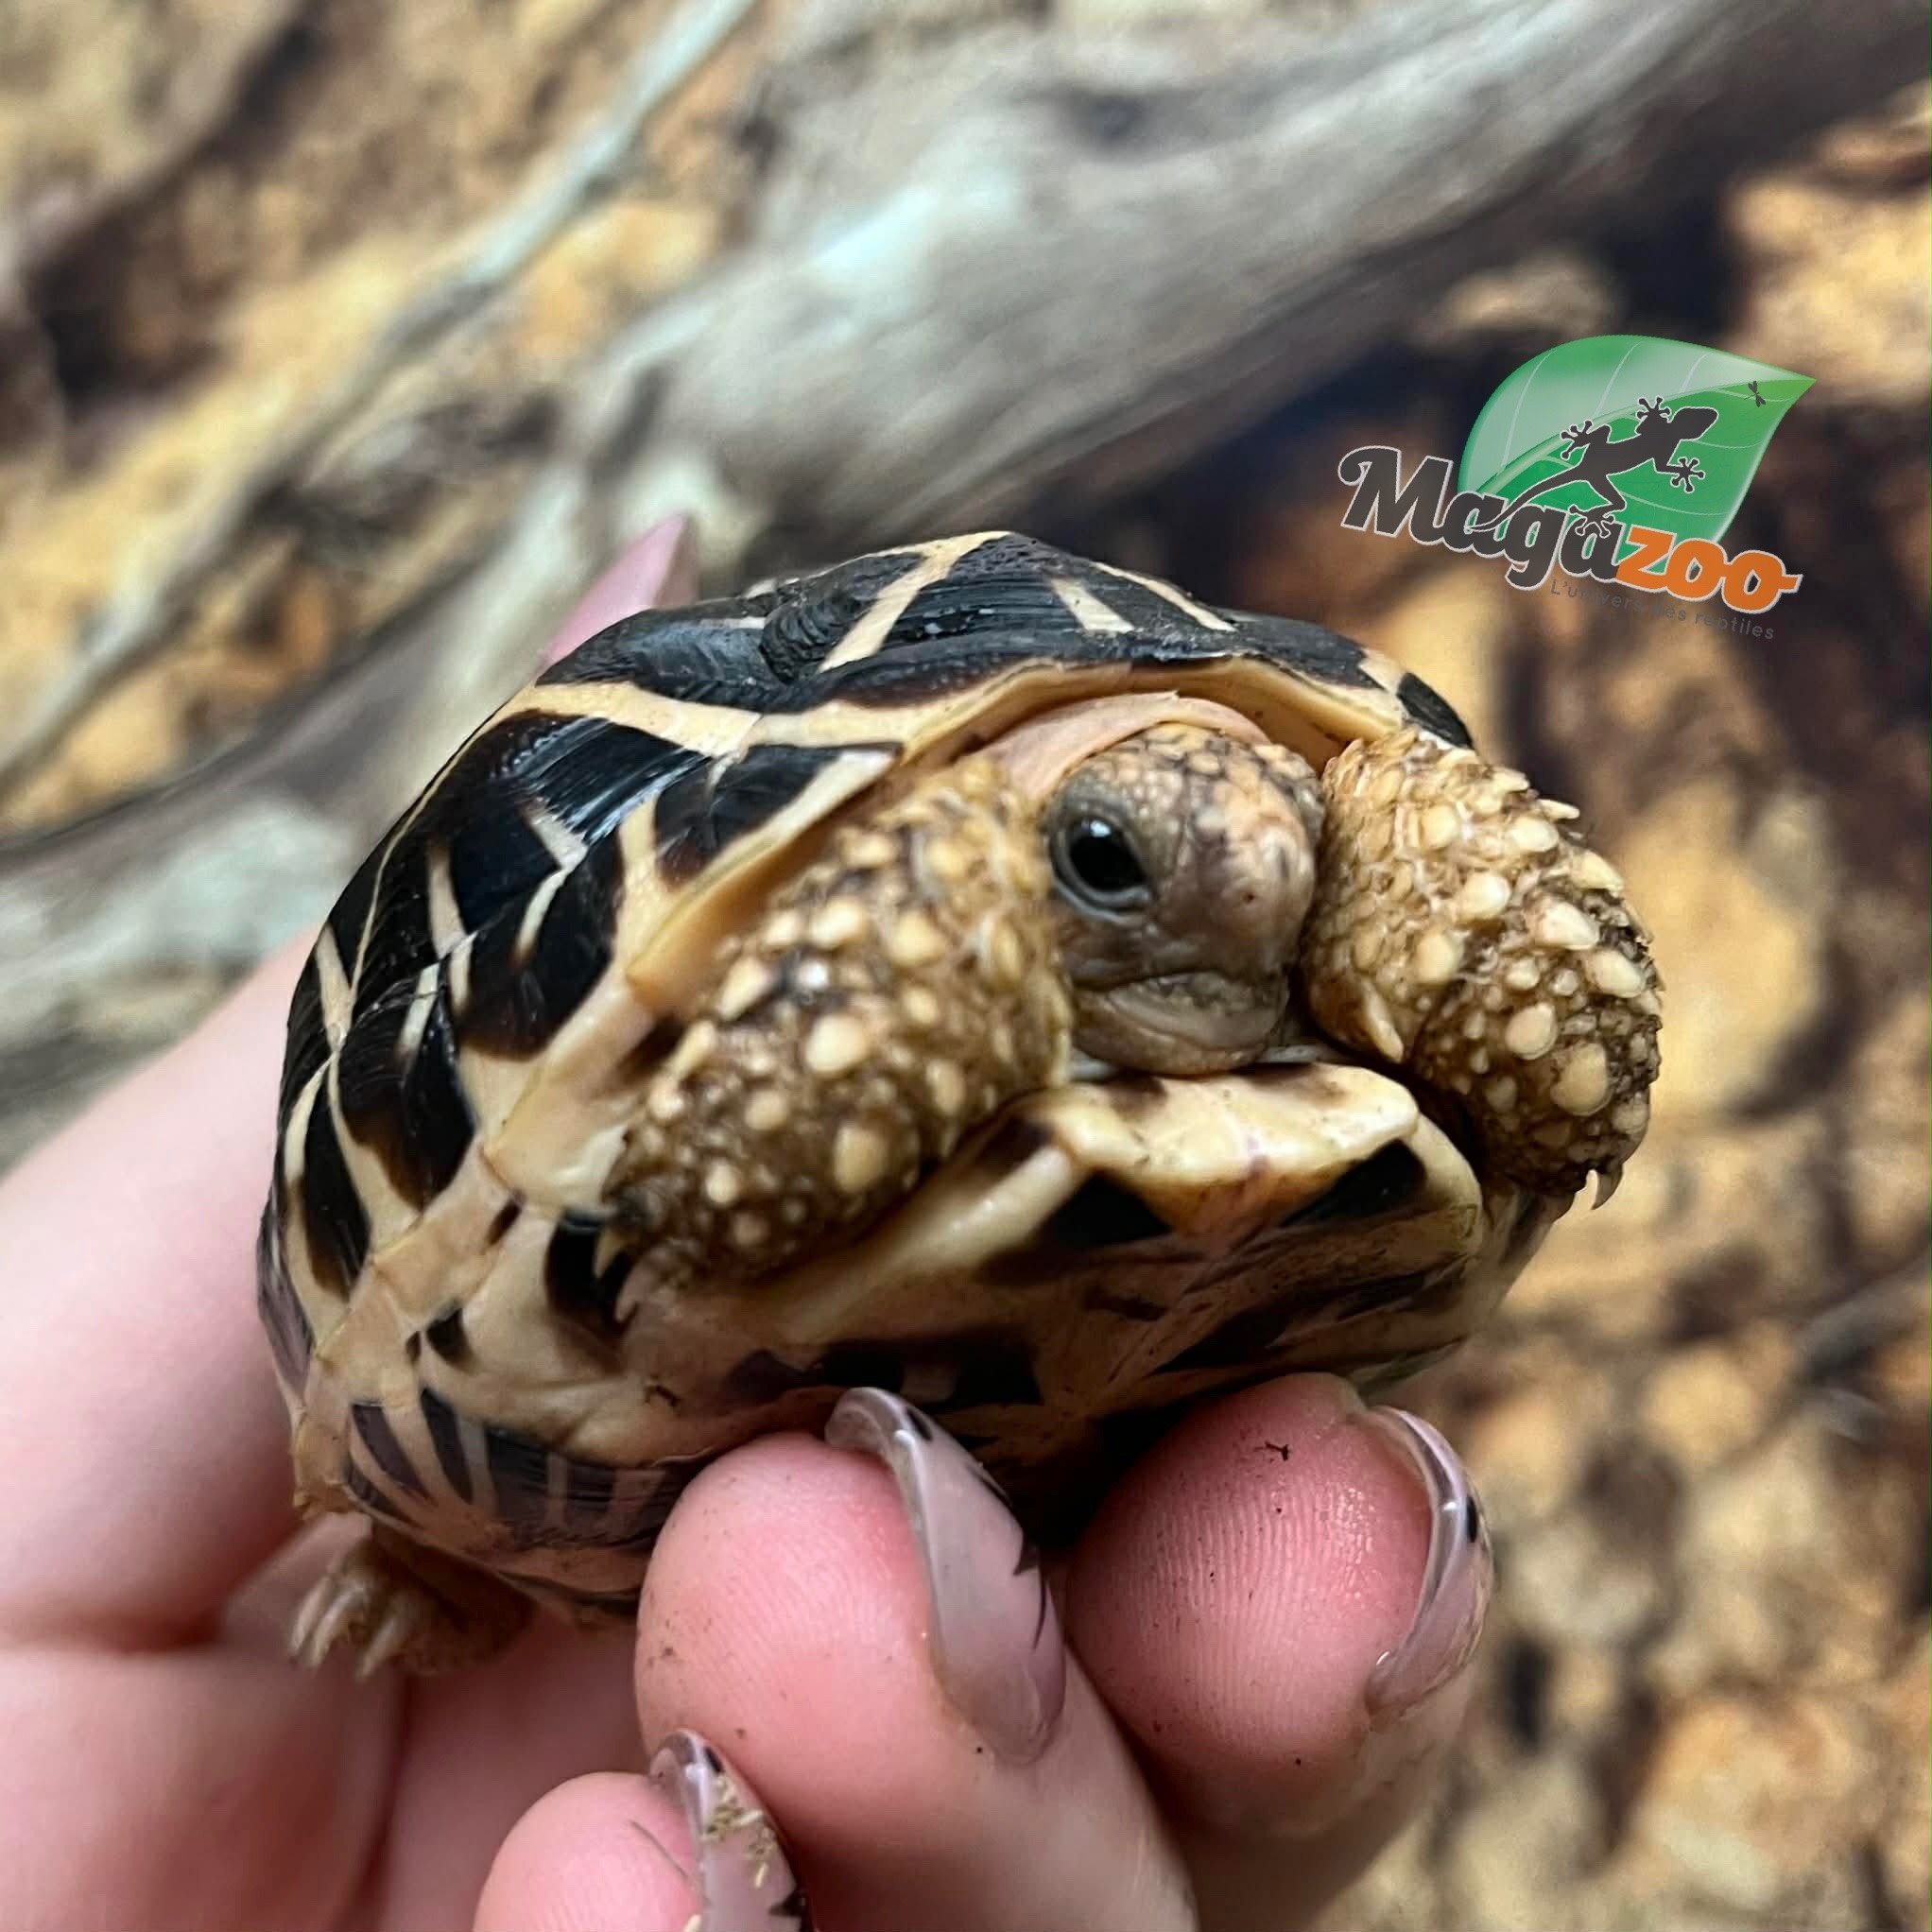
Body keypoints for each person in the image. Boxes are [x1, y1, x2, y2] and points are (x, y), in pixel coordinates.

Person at [0, 519, 1491, 1932]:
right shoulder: (930, 897)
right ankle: (435, 1560)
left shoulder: (1335, 868)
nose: (1240, 921)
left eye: (1290, 879)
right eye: (1106, 865)